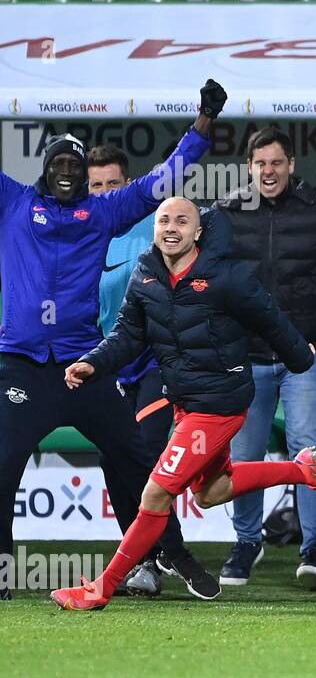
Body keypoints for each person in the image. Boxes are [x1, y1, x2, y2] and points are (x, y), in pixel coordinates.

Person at [52, 198, 316, 611]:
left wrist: (302, 356)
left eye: (182, 221)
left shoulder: (226, 277)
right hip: (186, 402)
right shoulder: (145, 276)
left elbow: (269, 318)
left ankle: (101, 588)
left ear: (198, 232)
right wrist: (91, 363)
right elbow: (126, 337)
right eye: (164, 220)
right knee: (210, 491)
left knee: (155, 493)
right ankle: (302, 470)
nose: (171, 228)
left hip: (219, 403)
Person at [0, 79, 225, 602]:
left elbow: (160, 181)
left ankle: (169, 550)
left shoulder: (101, 212)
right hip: (21, 366)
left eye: (75, 168)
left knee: (135, 458)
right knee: (2, 462)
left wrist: (203, 124)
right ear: (45, 169)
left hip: (84, 368)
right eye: (59, 164)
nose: (67, 173)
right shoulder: (14, 203)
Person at [217, 128, 316, 591]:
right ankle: (247, 543)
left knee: (309, 455)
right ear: (249, 167)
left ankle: (315, 550)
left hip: (306, 358)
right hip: (244, 358)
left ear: (291, 165)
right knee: (244, 457)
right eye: (260, 164)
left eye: (277, 163)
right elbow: (201, 273)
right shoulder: (226, 215)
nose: (268, 172)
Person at [90, 144, 219, 599]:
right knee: (115, 460)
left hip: (157, 363)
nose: (104, 193)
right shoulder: (86, 232)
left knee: (144, 455)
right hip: (110, 363)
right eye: (96, 185)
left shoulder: (157, 225)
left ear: (127, 186)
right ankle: (146, 561)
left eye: (112, 184)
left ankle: (170, 550)